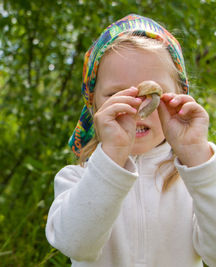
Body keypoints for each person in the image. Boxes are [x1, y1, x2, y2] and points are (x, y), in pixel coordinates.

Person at [45, 14, 216, 267]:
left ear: (179, 98)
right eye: (117, 95)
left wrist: (197, 157)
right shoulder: (77, 179)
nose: (136, 109)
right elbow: (76, 245)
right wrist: (111, 157)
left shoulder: (198, 179)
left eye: (153, 93)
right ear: (94, 108)